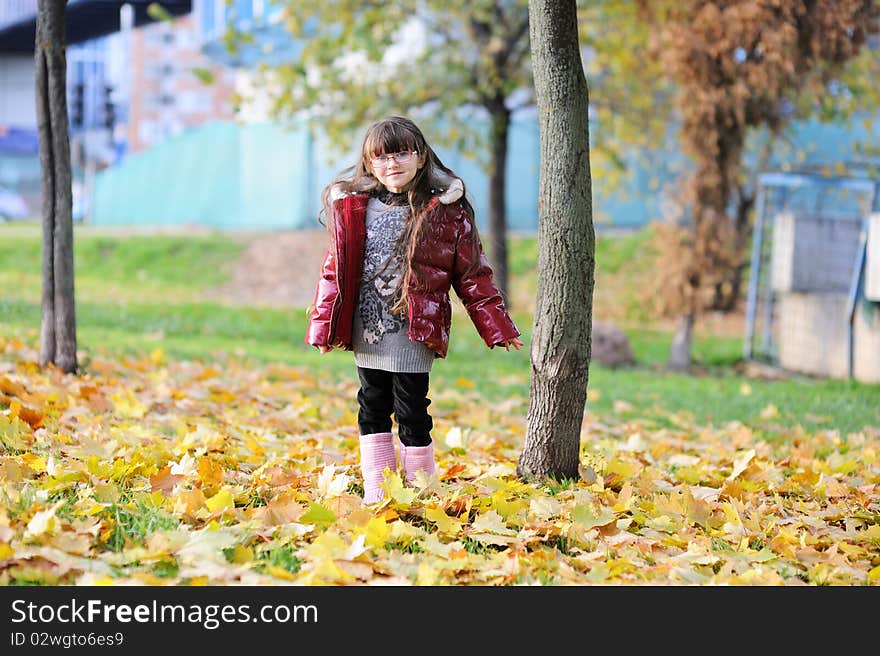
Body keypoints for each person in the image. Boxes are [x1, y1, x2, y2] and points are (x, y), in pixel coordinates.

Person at [305, 116, 524, 505]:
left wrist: (497, 326)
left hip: (414, 329)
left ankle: (420, 488)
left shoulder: (443, 211)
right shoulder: (354, 208)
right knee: (371, 403)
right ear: (369, 164)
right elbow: (333, 271)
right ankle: (379, 488)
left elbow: (473, 273)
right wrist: (323, 329)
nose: (393, 164)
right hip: (367, 327)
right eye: (382, 157)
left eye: (402, 153)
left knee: (412, 409)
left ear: (421, 158)